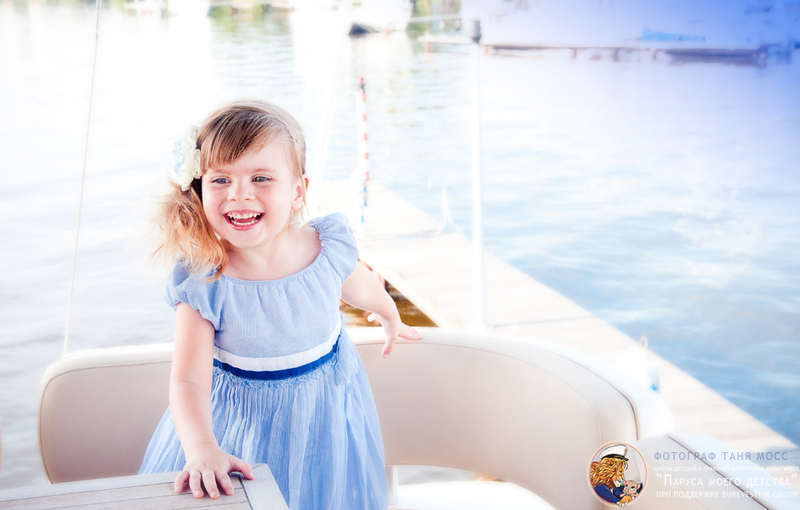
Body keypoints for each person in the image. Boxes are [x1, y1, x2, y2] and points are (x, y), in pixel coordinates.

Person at [139, 99, 421, 509]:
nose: (239, 194)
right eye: (221, 180)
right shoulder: (205, 280)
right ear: (199, 190)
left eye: (261, 178)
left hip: (324, 420)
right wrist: (201, 447)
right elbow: (188, 382)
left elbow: (361, 287)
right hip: (240, 432)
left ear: (297, 191)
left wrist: (390, 317)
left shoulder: (324, 249)